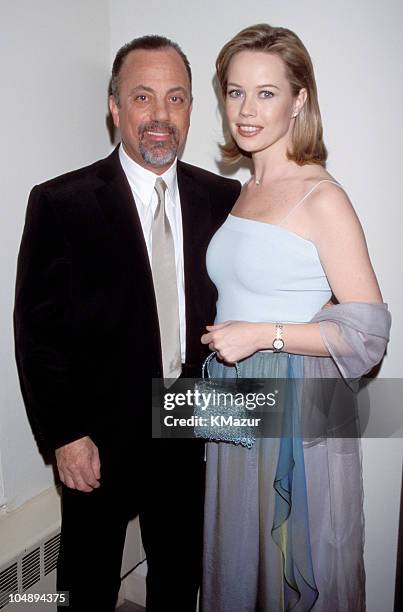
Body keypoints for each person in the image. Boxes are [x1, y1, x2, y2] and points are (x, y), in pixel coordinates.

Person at [14, 35, 241, 611]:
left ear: (192, 108)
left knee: (180, 573)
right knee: (87, 584)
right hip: (96, 432)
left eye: (176, 98)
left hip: (190, 420)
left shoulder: (223, 197)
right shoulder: (60, 203)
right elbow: (37, 334)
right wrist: (64, 436)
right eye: (143, 97)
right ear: (115, 107)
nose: (161, 116)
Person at [200, 24, 391, 611]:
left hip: (293, 408)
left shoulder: (321, 197)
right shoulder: (243, 188)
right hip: (235, 396)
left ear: (299, 98)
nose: (247, 110)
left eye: (266, 92)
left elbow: (369, 335)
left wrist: (265, 334)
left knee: (288, 565)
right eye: (235, 92)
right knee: (234, 557)